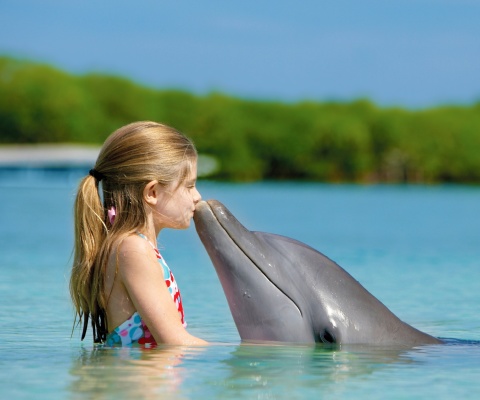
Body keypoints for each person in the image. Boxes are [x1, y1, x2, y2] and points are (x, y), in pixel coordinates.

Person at [70, 121, 207, 347]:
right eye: (189, 186)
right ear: (152, 192)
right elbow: (175, 342)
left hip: (140, 380)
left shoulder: (127, 246)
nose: (197, 196)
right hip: (137, 381)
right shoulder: (134, 249)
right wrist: (248, 356)